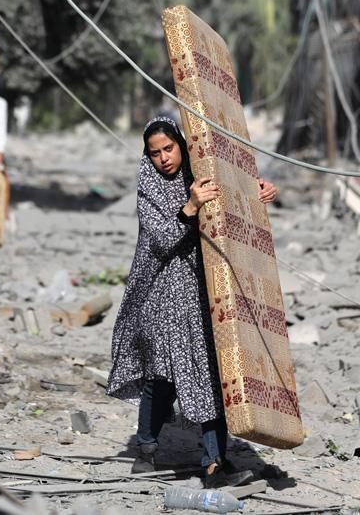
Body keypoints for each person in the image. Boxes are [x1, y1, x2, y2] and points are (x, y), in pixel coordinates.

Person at [107, 116, 278, 488]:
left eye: (169, 148)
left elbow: (232, 202)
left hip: (202, 294)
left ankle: (215, 462)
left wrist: (257, 192)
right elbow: (164, 239)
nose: (164, 158)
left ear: (181, 146)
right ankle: (147, 448)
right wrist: (190, 206)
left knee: (209, 375)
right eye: (155, 153)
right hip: (160, 296)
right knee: (162, 377)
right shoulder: (148, 188)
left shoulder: (199, 175)